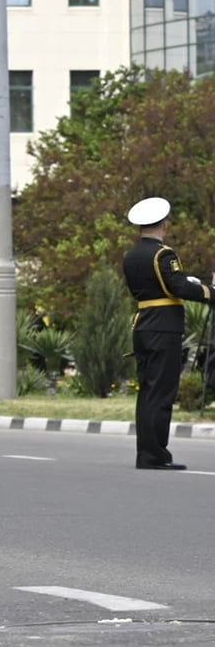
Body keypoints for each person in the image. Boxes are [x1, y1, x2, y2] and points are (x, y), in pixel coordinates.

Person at [122, 196, 212, 470]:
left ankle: (146, 452)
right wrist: (210, 293)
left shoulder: (132, 255)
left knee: (148, 392)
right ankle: (155, 455)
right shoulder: (163, 254)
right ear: (164, 224)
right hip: (163, 327)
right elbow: (178, 287)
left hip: (143, 325)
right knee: (161, 392)